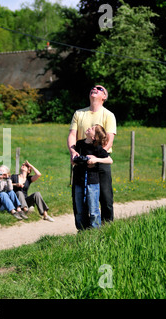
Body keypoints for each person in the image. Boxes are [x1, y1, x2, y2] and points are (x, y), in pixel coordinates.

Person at [67, 85, 117, 223]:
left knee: (106, 197)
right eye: (93, 88)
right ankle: (83, 230)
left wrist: (97, 158)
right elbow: (72, 134)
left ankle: (108, 228)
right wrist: (73, 152)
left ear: (104, 97)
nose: (95, 88)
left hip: (100, 162)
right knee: (78, 197)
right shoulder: (79, 113)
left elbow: (109, 140)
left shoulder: (108, 115)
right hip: (82, 161)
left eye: (100, 89)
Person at [72, 125, 113, 230]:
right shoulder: (79, 144)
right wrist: (76, 160)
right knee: (80, 210)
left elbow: (109, 160)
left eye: (93, 129)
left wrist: (96, 160)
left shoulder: (97, 148)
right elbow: (74, 158)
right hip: (78, 180)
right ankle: (82, 231)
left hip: (92, 181)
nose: (89, 128)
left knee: (93, 210)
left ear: (94, 137)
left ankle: (95, 231)